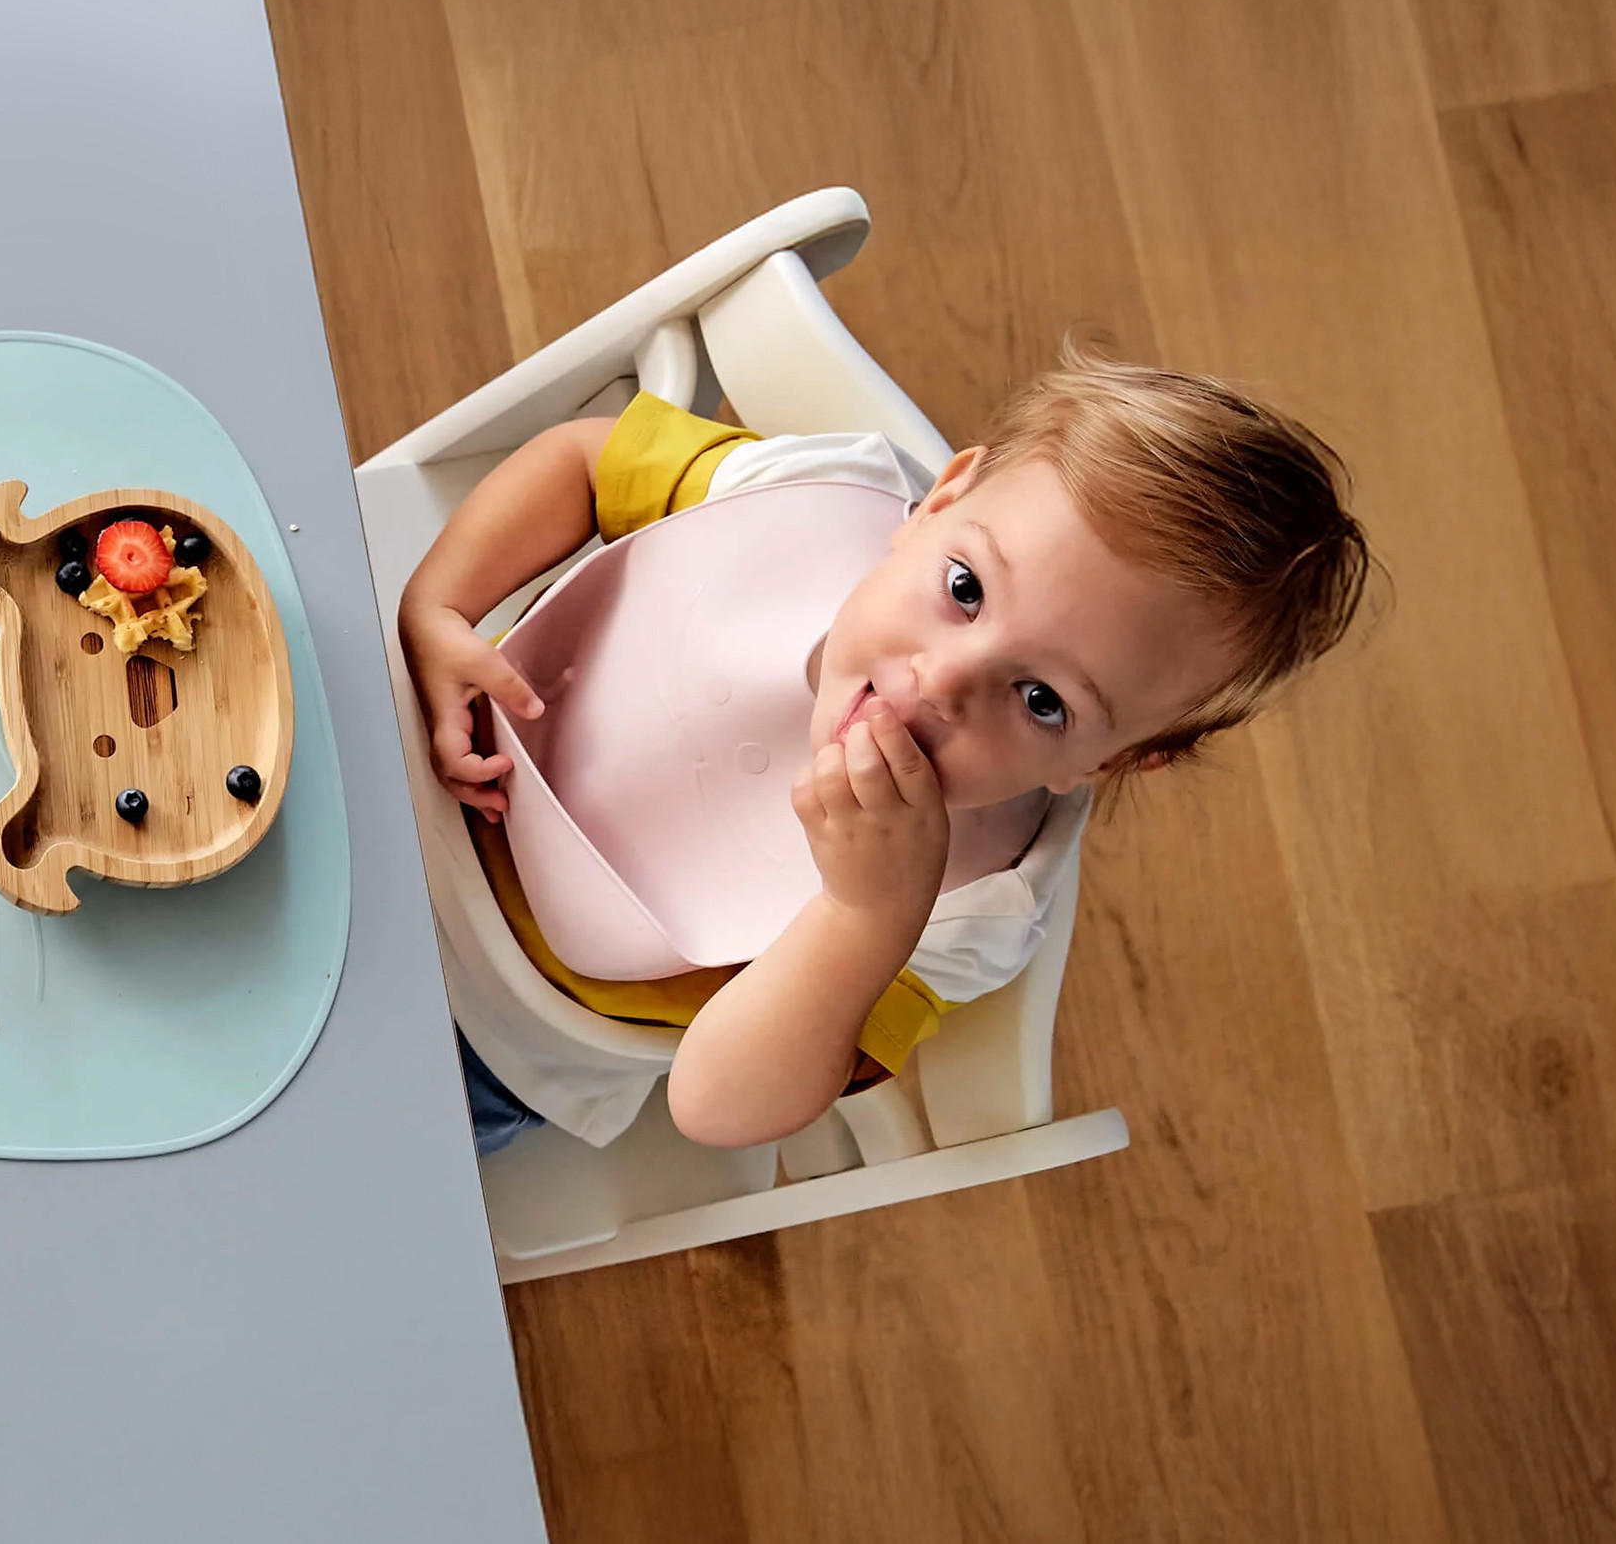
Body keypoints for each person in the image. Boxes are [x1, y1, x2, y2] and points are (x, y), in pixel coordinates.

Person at [399, 342, 1375, 1152]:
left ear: (1107, 761)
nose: (943, 680)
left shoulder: (975, 909)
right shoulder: (811, 492)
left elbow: (717, 1105)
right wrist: (440, 604)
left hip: (490, 1036)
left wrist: (868, 913)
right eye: (964, 589)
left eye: (1040, 699)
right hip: (399, 749)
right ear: (942, 497)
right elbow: (582, 462)